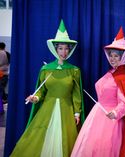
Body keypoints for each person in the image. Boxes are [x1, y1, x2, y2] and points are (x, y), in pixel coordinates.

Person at [10, 20, 85, 157]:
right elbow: (41, 90)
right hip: (47, 109)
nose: (64, 51)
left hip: (67, 111)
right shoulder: (46, 69)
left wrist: (77, 113)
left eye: (67, 48)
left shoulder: (74, 70)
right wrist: (35, 97)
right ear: (55, 49)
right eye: (61, 48)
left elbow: (76, 94)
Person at [71, 27, 125, 157]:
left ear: (123, 58)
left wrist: (115, 112)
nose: (112, 59)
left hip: (111, 119)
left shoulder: (123, 78)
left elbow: (124, 103)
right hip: (98, 114)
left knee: (106, 148)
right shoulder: (111, 73)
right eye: (111, 55)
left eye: (116, 56)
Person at [0, 42, 10, 111]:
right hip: (5, 74)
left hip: (1, 74)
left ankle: (1, 108)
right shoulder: (7, 53)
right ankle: (1, 107)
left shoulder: (1, 53)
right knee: (1, 90)